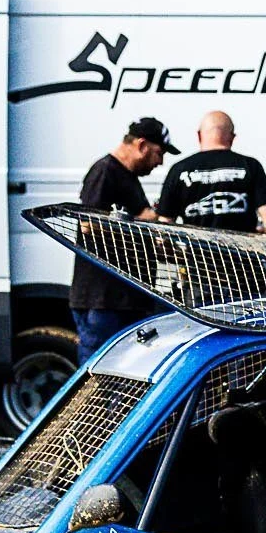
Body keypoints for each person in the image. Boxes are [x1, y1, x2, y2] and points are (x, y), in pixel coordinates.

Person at [69, 116, 176, 358]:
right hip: (103, 300)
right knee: (101, 369)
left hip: (125, 299)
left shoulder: (128, 178)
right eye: (159, 153)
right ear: (142, 145)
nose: (160, 162)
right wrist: (139, 222)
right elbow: (87, 224)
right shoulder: (105, 171)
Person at [157, 111, 266, 235]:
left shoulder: (179, 170)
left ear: (199, 135)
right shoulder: (251, 166)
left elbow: (163, 229)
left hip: (197, 248)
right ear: (232, 137)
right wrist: (255, 235)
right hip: (240, 248)